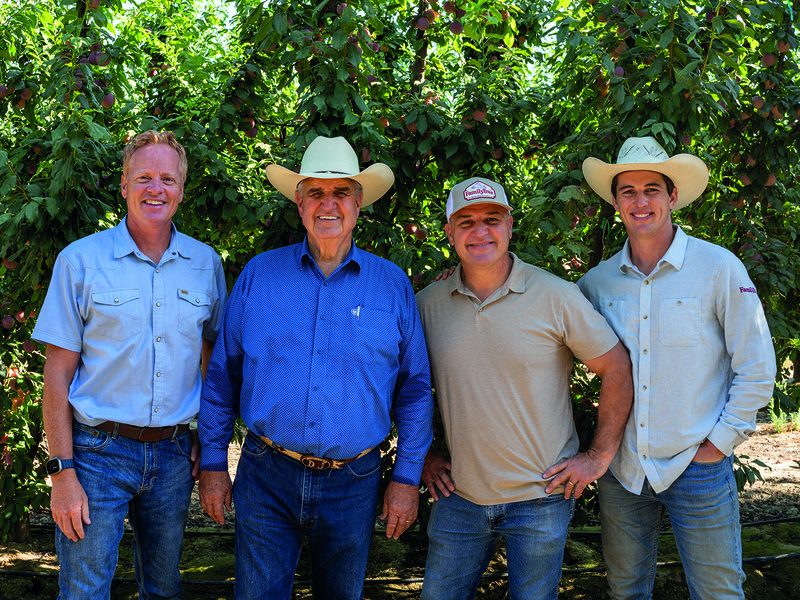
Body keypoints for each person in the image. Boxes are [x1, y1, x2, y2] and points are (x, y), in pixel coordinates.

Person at [198, 135, 433, 599]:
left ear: (358, 204)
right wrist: (211, 461)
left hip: (355, 480)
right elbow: (223, 375)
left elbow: (415, 388)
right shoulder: (259, 276)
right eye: (316, 193)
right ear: (299, 204)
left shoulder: (391, 285)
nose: (329, 204)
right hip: (267, 473)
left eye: (341, 192)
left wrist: (406, 477)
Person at [416, 176, 633, 599]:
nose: (480, 231)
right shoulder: (427, 304)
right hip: (459, 498)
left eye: (492, 219)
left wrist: (599, 455)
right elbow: (402, 387)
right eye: (466, 222)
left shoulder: (556, 296)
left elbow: (617, 368)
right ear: (448, 232)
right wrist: (421, 454)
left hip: (542, 500)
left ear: (510, 225)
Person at [32, 130, 228, 599]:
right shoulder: (80, 261)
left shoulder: (205, 265)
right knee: (84, 592)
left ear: (181, 189)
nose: (154, 188)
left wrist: (208, 436)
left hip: (175, 457)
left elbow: (211, 359)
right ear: (123, 185)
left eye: (167, 178)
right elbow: (56, 373)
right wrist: (62, 473)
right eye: (143, 177)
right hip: (96, 454)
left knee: (163, 590)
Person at [578, 136, 777, 599]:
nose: (640, 200)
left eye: (652, 189)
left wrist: (719, 443)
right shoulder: (596, 282)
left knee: (717, 591)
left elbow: (757, 365)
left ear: (672, 197)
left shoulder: (718, 267)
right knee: (626, 590)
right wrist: (462, 274)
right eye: (628, 190)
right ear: (615, 201)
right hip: (623, 471)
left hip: (698, 463)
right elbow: (543, 320)